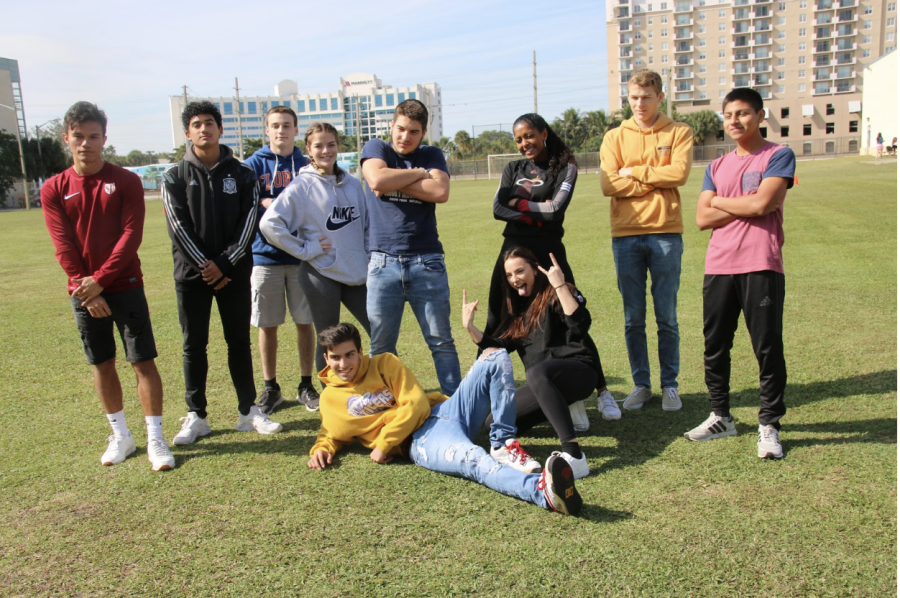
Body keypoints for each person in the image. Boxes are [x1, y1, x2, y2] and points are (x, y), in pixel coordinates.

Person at [307, 323, 582, 516]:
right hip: (421, 441)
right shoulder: (330, 399)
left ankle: (502, 442)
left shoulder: (384, 363)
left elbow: (415, 404)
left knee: (495, 356)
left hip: (445, 411)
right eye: (336, 358)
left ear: (360, 351)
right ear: (326, 358)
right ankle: (543, 492)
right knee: (473, 459)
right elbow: (331, 431)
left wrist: (383, 444)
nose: (344, 364)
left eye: (350, 355)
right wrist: (322, 448)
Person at [41, 101, 174, 471]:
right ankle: (121, 436)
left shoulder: (127, 181)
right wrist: (86, 289)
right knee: (102, 364)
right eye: (79, 136)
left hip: (124, 284)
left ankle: (155, 438)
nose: (86, 144)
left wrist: (98, 282)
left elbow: (131, 236)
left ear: (104, 139)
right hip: (83, 291)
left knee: (142, 362)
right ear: (66, 138)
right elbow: (62, 244)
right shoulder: (54, 188)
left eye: (94, 136)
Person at [487, 114, 619, 426]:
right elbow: (496, 209)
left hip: (548, 253)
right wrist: (534, 208)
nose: (524, 144)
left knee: (570, 318)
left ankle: (602, 392)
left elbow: (555, 209)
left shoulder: (566, 167)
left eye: (529, 136)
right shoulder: (512, 169)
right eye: (518, 139)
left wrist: (518, 205)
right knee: (502, 322)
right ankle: (500, 392)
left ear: (544, 133)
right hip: (512, 253)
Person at [162, 100, 282, 445]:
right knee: (193, 345)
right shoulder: (174, 176)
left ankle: (249, 411)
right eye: (197, 124)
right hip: (192, 276)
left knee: (238, 343)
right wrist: (208, 266)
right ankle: (196, 416)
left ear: (220, 128)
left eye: (210, 122)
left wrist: (225, 265)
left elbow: (248, 225)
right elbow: (179, 228)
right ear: (188, 132)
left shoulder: (243, 174)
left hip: (233, 274)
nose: (204, 128)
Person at [686, 87, 795, 460]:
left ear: (761, 116)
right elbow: (702, 219)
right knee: (715, 345)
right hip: (719, 265)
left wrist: (721, 201)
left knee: (766, 346)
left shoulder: (779, 156)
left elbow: (766, 202)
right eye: (729, 115)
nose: (735, 121)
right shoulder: (715, 166)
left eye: (743, 114)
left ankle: (769, 424)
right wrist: (746, 206)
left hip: (760, 262)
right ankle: (720, 416)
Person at [462, 247, 610, 480]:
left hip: (580, 373)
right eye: (509, 275)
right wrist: (472, 329)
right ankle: (565, 408)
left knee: (537, 373)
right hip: (544, 382)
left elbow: (580, 325)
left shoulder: (558, 292)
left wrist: (560, 285)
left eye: (520, 271)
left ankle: (574, 455)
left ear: (534, 268)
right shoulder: (518, 312)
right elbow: (501, 345)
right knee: (494, 423)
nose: (514, 279)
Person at [600, 69, 693, 413]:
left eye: (647, 97)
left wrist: (634, 171)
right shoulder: (614, 137)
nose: (640, 104)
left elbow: (679, 174)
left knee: (666, 315)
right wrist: (656, 179)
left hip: (666, 232)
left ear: (659, 98)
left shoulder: (679, 131)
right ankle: (641, 384)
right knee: (632, 317)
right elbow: (609, 185)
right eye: (634, 97)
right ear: (628, 98)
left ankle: (670, 385)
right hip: (625, 235)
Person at [360, 99, 461, 395]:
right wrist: (419, 174)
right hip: (382, 263)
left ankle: (457, 409)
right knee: (381, 346)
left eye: (413, 132)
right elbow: (376, 179)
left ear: (424, 132)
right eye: (401, 129)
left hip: (426, 261)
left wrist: (393, 180)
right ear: (392, 125)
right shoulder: (376, 148)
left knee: (441, 341)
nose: (405, 137)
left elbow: (440, 191)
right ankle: (383, 409)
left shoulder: (431, 154)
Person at [260, 122, 372, 381]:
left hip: (357, 271)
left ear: (338, 147)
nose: (325, 150)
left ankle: (387, 387)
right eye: (318, 145)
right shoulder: (302, 186)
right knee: (328, 341)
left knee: (380, 330)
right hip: (320, 274)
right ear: (308, 150)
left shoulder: (354, 185)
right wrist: (305, 249)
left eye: (331, 144)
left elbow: (366, 227)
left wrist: (366, 256)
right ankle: (331, 400)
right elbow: (270, 223)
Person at [244, 105, 319, 413]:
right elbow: (244, 207)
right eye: (275, 125)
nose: (281, 130)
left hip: (302, 257)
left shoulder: (306, 164)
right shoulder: (252, 165)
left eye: (286, 125)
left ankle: (306, 384)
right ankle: (271, 388)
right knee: (267, 324)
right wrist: (264, 201)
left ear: (295, 130)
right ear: (267, 129)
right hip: (264, 257)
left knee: (305, 322)